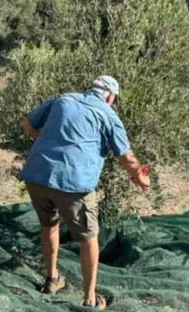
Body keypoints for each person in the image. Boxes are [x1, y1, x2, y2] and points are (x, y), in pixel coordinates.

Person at [20, 76, 150, 310]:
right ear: (110, 96)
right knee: (88, 238)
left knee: (49, 224)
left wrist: (50, 144)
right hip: (73, 185)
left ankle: (52, 279)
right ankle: (90, 299)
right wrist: (140, 176)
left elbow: (27, 124)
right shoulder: (108, 115)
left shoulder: (63, 99)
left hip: (37, 176)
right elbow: (126, 158)